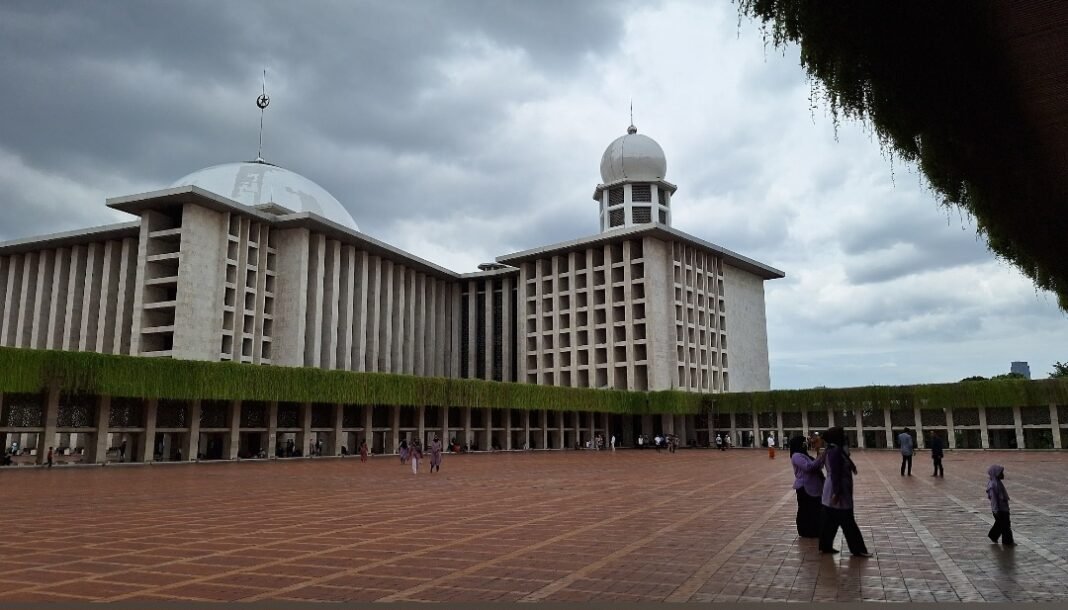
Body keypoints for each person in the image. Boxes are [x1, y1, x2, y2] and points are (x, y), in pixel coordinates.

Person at [818, 426, 872, 557]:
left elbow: (844, 460)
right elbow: (836, 472)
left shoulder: (833, 449)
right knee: (848, 521)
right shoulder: (835, 451)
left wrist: (852, 467)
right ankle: (858, 549)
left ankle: (825, 546)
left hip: (832, 489)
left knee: (831, 520)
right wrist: (836, 492)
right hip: (838, 490)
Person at [790, 435, 825, 538]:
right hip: (805, 487)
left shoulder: (804, 455)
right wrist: (820, 457)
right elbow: (809, 467)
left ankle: (815, 530)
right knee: (806, 510)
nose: (805, 444)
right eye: (803, 442)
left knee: (814, 509)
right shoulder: (796, 456)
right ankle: (805, 531)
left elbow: (818, 465)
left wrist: (818, 451)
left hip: (813, 486)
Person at [986, 464, 1014, 545]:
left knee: (1000, 524)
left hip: (1003, 508)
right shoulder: (993, 485)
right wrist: (996, 510)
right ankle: (1007, 542)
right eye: (1001, 473)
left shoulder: (998, 483)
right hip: (999, 509)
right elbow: (994, 500)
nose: (1002, 475)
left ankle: (993, 536)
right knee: (1005, 525)